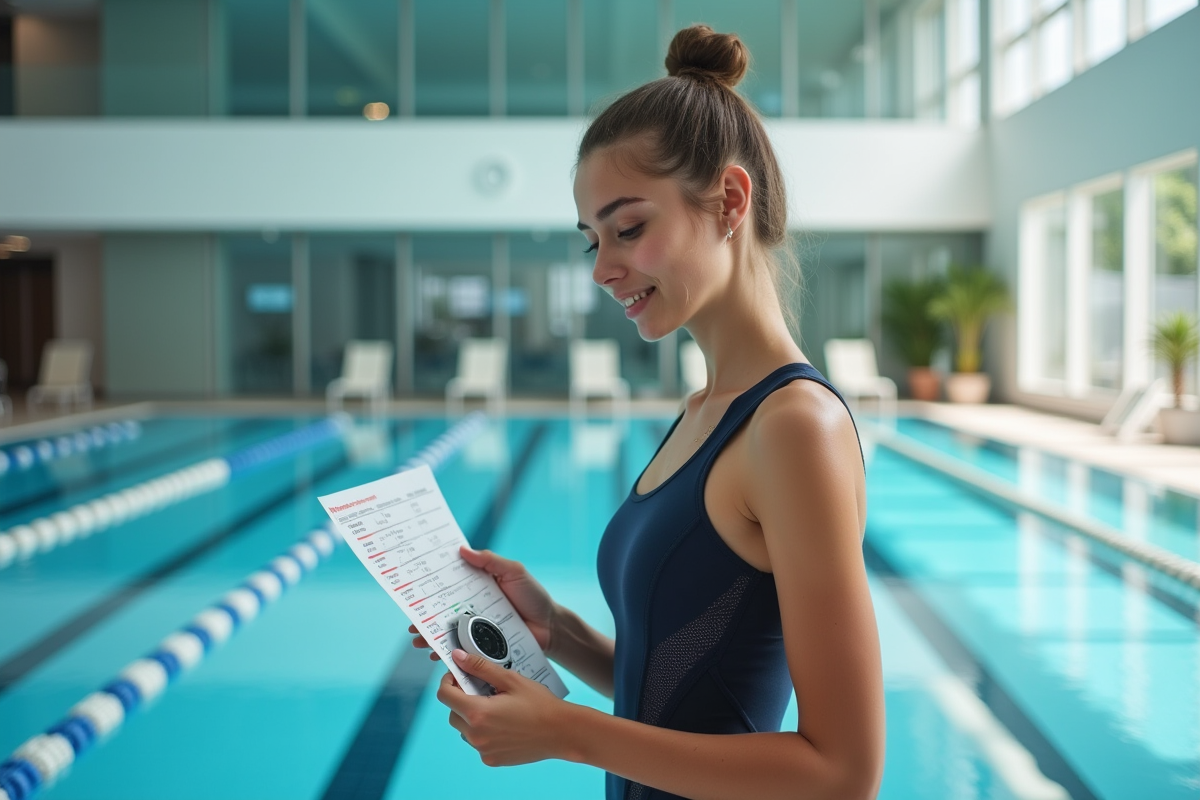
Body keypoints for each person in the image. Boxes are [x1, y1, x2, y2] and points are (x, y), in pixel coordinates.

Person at [408, 24, 885, 800]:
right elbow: (685, 677)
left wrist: (563, 734)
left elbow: (844, 772)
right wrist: (552, 630)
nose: (602, 268)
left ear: (730, 201)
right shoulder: (705, 410)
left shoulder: (794, 426)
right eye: (592, 239)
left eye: (629, 229)